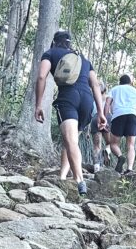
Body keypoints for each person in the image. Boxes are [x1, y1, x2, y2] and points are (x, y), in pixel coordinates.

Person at [35, 30, 106, 197]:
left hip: (68, 98)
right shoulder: (84, 59)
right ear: (69, 43)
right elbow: (95, 85)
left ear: (54, 42)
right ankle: (62, 176)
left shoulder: (50, 53)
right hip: (87, 101)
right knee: (71, 141)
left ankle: (79, 181)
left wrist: (38, 104)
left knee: (71, 141)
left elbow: (41, 77)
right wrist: (101, 112)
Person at [60, 79, 109, 179]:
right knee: (111, 143)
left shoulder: (90, 98)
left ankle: (96, 168)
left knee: (96, 145)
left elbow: (90, 114)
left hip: (95, 119)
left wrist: (87, 130)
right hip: (107, 117)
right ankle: (108, 150)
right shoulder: (108, 98)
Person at [106, 74, 136, 174]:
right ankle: (129, 169)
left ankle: (120, 157)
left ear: (120, 82)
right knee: (131, 145)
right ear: (130, 82)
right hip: (133, 117)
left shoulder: (114, 89)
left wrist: (105, 120)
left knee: (113, 144)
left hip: (118, 116)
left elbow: (107, 104)